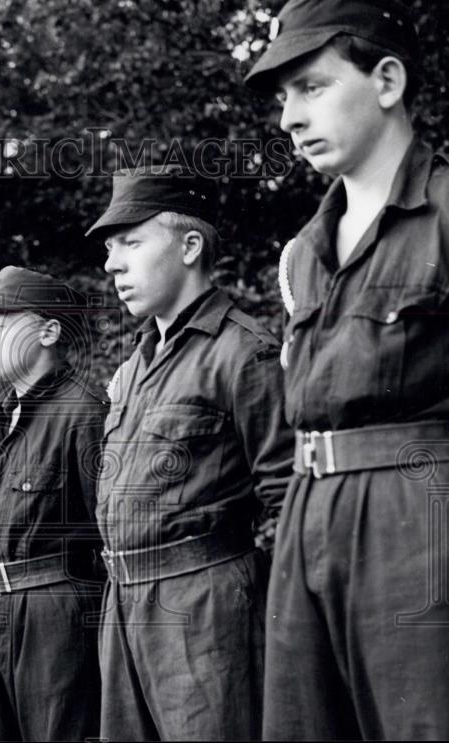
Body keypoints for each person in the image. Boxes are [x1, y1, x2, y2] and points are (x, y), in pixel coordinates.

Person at [245, 0, 449, 739]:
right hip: (309, 519)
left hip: (425, 523)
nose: (290, 117)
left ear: (386, 81)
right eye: (283, 97)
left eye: (312, 87)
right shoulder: (304, 254)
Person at [84, 167, 294, 740]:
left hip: (204, 610)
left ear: (190, 246)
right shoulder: (133, 367)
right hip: (122, 609)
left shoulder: (243, 354)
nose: (113, 264)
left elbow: (289, 502)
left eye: (131, 242)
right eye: (109, 249)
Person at [0, 266, 107, 741]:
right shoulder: (0, 417)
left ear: (49, 332)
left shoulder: (84, 412)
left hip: (55, 618)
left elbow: (110, 535)